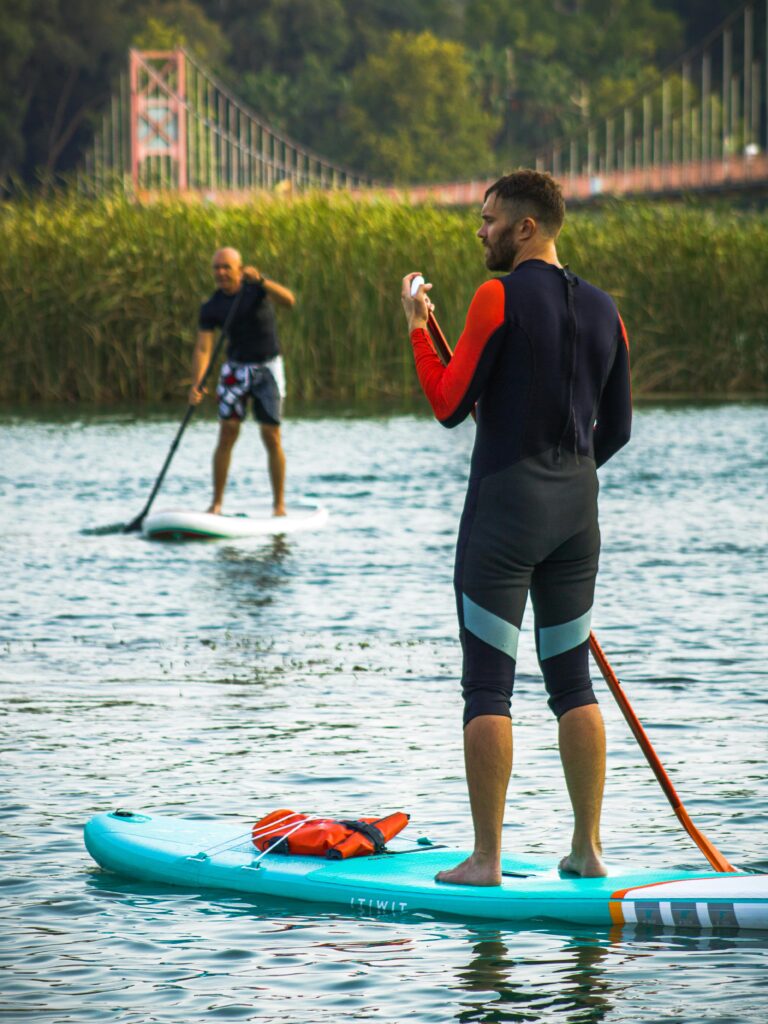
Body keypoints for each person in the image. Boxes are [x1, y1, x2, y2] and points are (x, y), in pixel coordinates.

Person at [401, 169, 631, 885]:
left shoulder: (495, 296)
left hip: (504, 514)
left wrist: (417, 328)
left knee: (488, 687)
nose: (481, 229)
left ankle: (487, 860)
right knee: (572, 683)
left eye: (490, 218)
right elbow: (615, 431)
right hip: (576, 516)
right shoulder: (607, 311)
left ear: (526, 228)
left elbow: (447, 401)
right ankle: (587, 851)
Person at [189, 247, 295, 515]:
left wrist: (262, 280)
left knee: (271, 435)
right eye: (216, 268)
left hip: (267, 368)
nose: (221, 273)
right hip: (235, 370)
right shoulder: (211, 306)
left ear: (239, 268)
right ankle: (216, 504)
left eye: (226, 267)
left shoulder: (256, 290)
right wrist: (198, 383)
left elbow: (289, 301)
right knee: (227, 432)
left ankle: (279, 506)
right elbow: (203, 349)